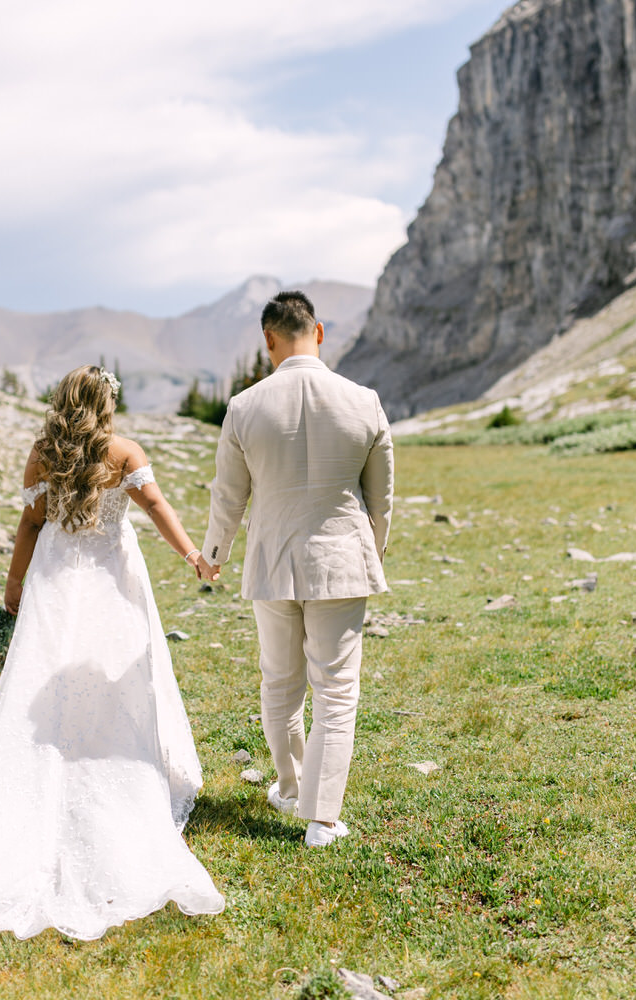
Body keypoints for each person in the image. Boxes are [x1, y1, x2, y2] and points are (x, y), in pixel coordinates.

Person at [0, 365, 225, 941]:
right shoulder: (123, 451)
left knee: (49, 676)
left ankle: (56, 755)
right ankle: (110, 759)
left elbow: (30, 526)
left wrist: (14, 586)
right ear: (105, 404)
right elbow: (157, 505)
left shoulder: (43, 454)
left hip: (57, 579)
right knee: (114, 674)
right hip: (112, 578)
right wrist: (191, 555)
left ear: (63, 402)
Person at [199, 290, 394, 848]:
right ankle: (323, 818)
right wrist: (369, 553)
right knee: (336, 690)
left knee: (280, 683)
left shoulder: (244, 406)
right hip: (340, 561)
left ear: (268, 342)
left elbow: (228, 498)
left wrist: (214, 556)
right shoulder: (364, 401)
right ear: (320, 332)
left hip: (272, 561)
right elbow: (380, 499)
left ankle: (290, 787)